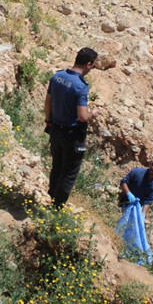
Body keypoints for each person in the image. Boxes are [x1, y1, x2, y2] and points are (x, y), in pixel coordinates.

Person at [44, 47, 99, 208]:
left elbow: (48, 102)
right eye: (93, 66)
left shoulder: (58, 77)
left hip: (55, 129)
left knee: (57, 166)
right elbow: (82, 116)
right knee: (69, 173)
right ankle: (56, 208)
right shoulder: (81, 86)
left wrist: (48, 121)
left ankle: (50, 197)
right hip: (72, 135)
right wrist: (93, 113)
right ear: (88, 64)